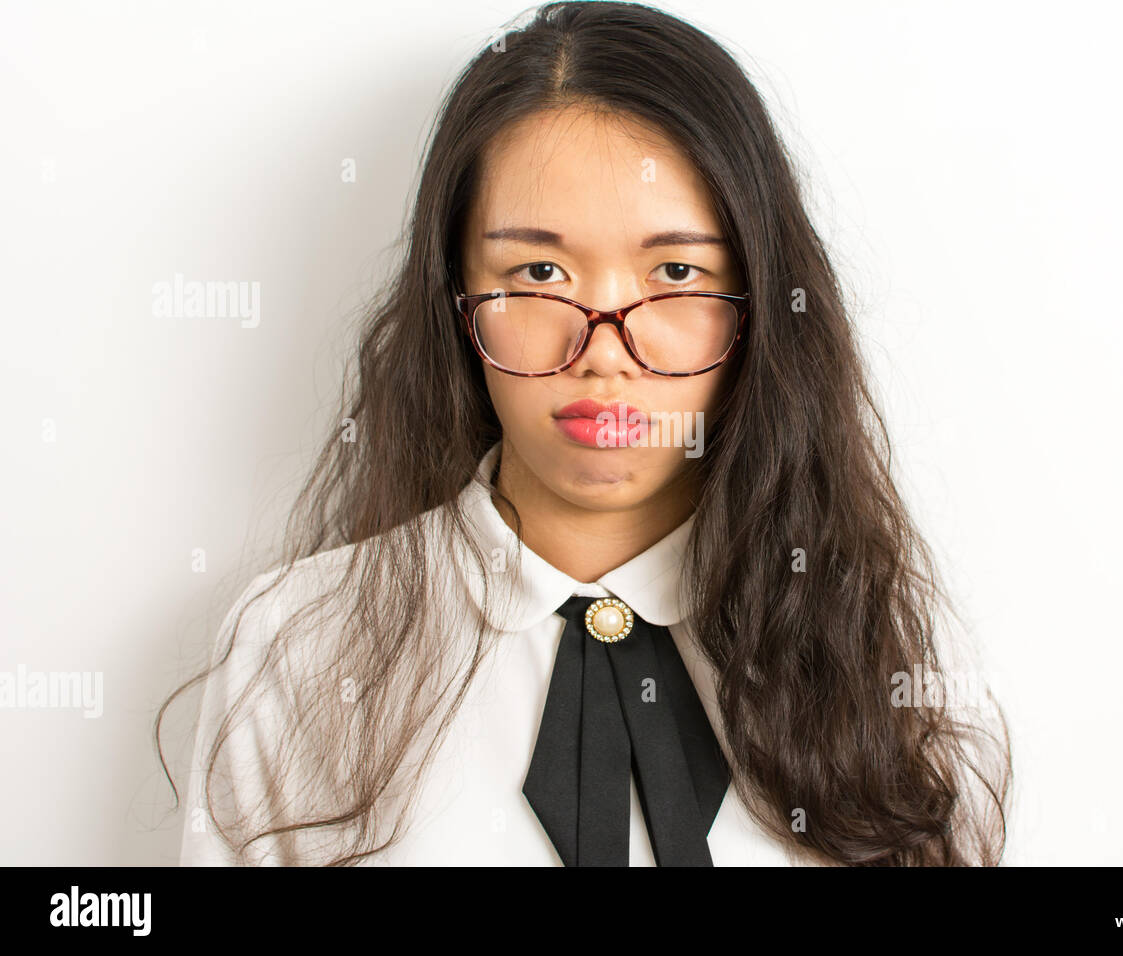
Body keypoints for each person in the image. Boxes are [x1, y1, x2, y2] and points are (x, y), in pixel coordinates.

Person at [157, 0, 1011, 867]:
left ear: (760, 307)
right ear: (456, 300)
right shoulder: (300, 646)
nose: (603, 350)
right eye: (538, 272)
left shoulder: (882, 653)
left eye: (677, 272)